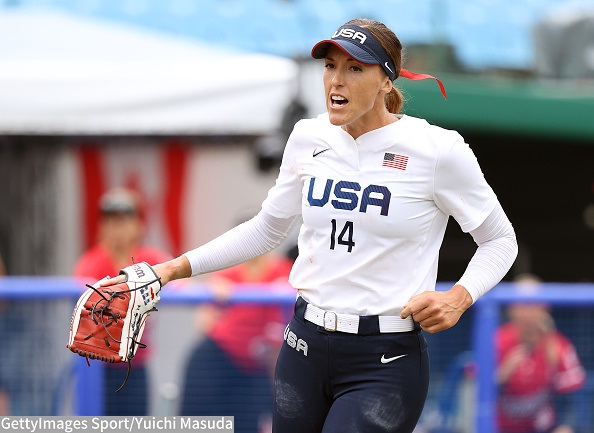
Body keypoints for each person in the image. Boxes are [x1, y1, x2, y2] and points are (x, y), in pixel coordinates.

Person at [103, 18, 518, 432]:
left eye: (355, 68)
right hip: (304, 343)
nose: (336, 80)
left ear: (386, 81)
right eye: (330, 66)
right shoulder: (307, 136)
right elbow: (267, 228)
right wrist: (170, 270)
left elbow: (500, 240)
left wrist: (459, 297)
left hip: (385, 356)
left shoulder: (437, 150)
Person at [74, 187, 171, 415]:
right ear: (102, 226)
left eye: (125, 219)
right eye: (111, 220)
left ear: (139, 225)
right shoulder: (91, 262)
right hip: (97, 367)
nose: (118, 226)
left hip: (135, 366)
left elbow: (182, 283)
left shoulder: (151, 259)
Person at [180, 249, 294, 433]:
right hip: (216, 359)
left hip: (256, 369)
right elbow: (203, 323)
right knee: (196, 423)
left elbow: (277, 343)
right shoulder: (227, 275)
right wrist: (215, 298)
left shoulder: (284, 273)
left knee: (246, 424)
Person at [496, 275, 586, 433]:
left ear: (545, 307)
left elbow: (573, 399)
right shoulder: (496, 342)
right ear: (511, 309)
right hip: (500, 427)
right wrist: (501, 375)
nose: (527, 312)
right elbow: (472, 393)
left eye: (533, 303)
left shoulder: (560, 347)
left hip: (543, 427)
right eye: (522, 304)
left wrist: (566, 427)